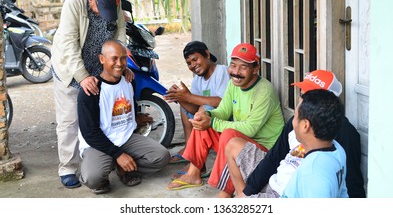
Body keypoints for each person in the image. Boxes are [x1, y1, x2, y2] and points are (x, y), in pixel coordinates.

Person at [225, 69, 366, 198]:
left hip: (287, 194)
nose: (300, 101)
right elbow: (274, 156)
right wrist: (247, 192)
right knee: (233, 145)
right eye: (301, 94)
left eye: (307, 97)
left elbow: (351, 184)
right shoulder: (297, 119)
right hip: (277, 179)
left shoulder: (343, 137)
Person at [166, 43, 284, 194]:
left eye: (243, 67)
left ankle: (226, 192)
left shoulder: (265, 91)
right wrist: (207, 115)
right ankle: (193, 174)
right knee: (203, 121)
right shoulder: (234, 84)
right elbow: (223, 110)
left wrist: (213, 121)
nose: (236, 72)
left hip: (264, 152)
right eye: (233, 65)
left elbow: (251, 129)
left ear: (255, 69)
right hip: (242, 143)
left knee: (229, 134)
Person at [51, 0, 131, 189]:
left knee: (106, 115)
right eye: (100, 9)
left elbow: (120, 35)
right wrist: (82, 75)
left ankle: (106, 158)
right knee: (70, 120)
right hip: (70, 69)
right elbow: (69, 44)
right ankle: (68, 167)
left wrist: (123, 64)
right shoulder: (74, 4)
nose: (104, 14)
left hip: (99, 68)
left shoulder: (115, 1)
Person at [77, 39, 170, 194]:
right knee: (93, 178)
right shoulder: (91, 90)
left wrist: (136, 118)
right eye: (114, 58)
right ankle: (105, 167)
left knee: (162, 157)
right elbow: (89, 133)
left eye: (123, 58)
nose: (119, 63)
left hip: (125, 137)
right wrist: (118, 154)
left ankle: (122, 168)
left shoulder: (128, 81)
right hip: (98, 142)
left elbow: (127, 107)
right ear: (102, 59)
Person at [164, 41, 230, 170]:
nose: (193, 65)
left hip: (225, 122)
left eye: (195, 59)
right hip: (208, 120)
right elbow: (193, 108)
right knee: (186, 107)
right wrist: (181, 98)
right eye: (189, 63)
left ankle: (197, 164)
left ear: (207, 54)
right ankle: (190, 150)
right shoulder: (197, 80)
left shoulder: (222, 71)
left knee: (205, 109)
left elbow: (222, 102)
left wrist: (189, 97)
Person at [105, 0, 153, 129]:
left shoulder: (119, 5)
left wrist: (123, 59)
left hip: (108, 56)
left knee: (129, 78)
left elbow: (120, 34)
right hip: (91, 61)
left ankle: (130, 122)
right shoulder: (85, 4)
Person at [281, 89, 348, 197]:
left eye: (296, 116)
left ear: (305, 125)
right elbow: (343, 193)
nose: (293, 121)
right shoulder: (338, 149)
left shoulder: (313, 173)